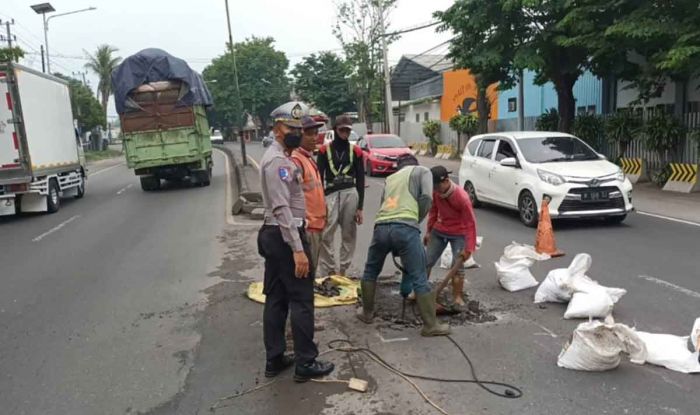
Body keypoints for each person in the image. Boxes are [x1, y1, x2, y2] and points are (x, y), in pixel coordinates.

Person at [257, 101, 334, 382]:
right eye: (292, 128)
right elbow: (281, 209)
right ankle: (306, 362)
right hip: (284, 235)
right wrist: (298, 250)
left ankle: (275, 358)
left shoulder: (283, 157)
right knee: (301, 299)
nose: (297, 133)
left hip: (275, 235)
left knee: (276, 298)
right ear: (278, 129)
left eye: (298, 129)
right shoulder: (277, 161)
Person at [356, 157, 450, 337]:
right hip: (405, 227)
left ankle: (367, 313)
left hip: (381, 226)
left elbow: (383, 203)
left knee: (371, 270)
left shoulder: (390, 179)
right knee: (419, 276)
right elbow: (426, 197)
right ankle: (430, 325)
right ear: (414, 164)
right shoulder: (422, 171)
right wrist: (416, 220)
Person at [316, 115, 365, 277]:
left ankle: (343, 270)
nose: (345, 133)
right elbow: (318, 178)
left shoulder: (356, 151)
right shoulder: (324, 151)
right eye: (342, 129)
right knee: (325, 233)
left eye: (348, 130)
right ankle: (329, 269)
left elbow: (361, 179)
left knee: (348, 233)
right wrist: (319, 201)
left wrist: (360, 208)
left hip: (350, 193)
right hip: (330, 194)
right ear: (335, 130)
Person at [424, 166, 478, 307]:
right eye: (433, 186)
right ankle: (420, 292)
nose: (435, 189)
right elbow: (433, 212)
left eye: (437, 186)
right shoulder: (436, 193)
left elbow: (470, 223)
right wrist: (429, 231)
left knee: (458, 266)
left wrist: (469, 248)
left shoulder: (462, 198)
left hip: (458, 233)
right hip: (440, 229)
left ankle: (457, 297)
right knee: (427, 261)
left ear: (446, 181)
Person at [290, 116, 327, 278]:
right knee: (305, 277)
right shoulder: (296, 160)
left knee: (311, 274)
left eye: (316, 133)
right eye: (309, 134)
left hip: (317, 226)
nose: (314, 138)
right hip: (307, 228)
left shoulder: (308, 159)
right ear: (299, 135)